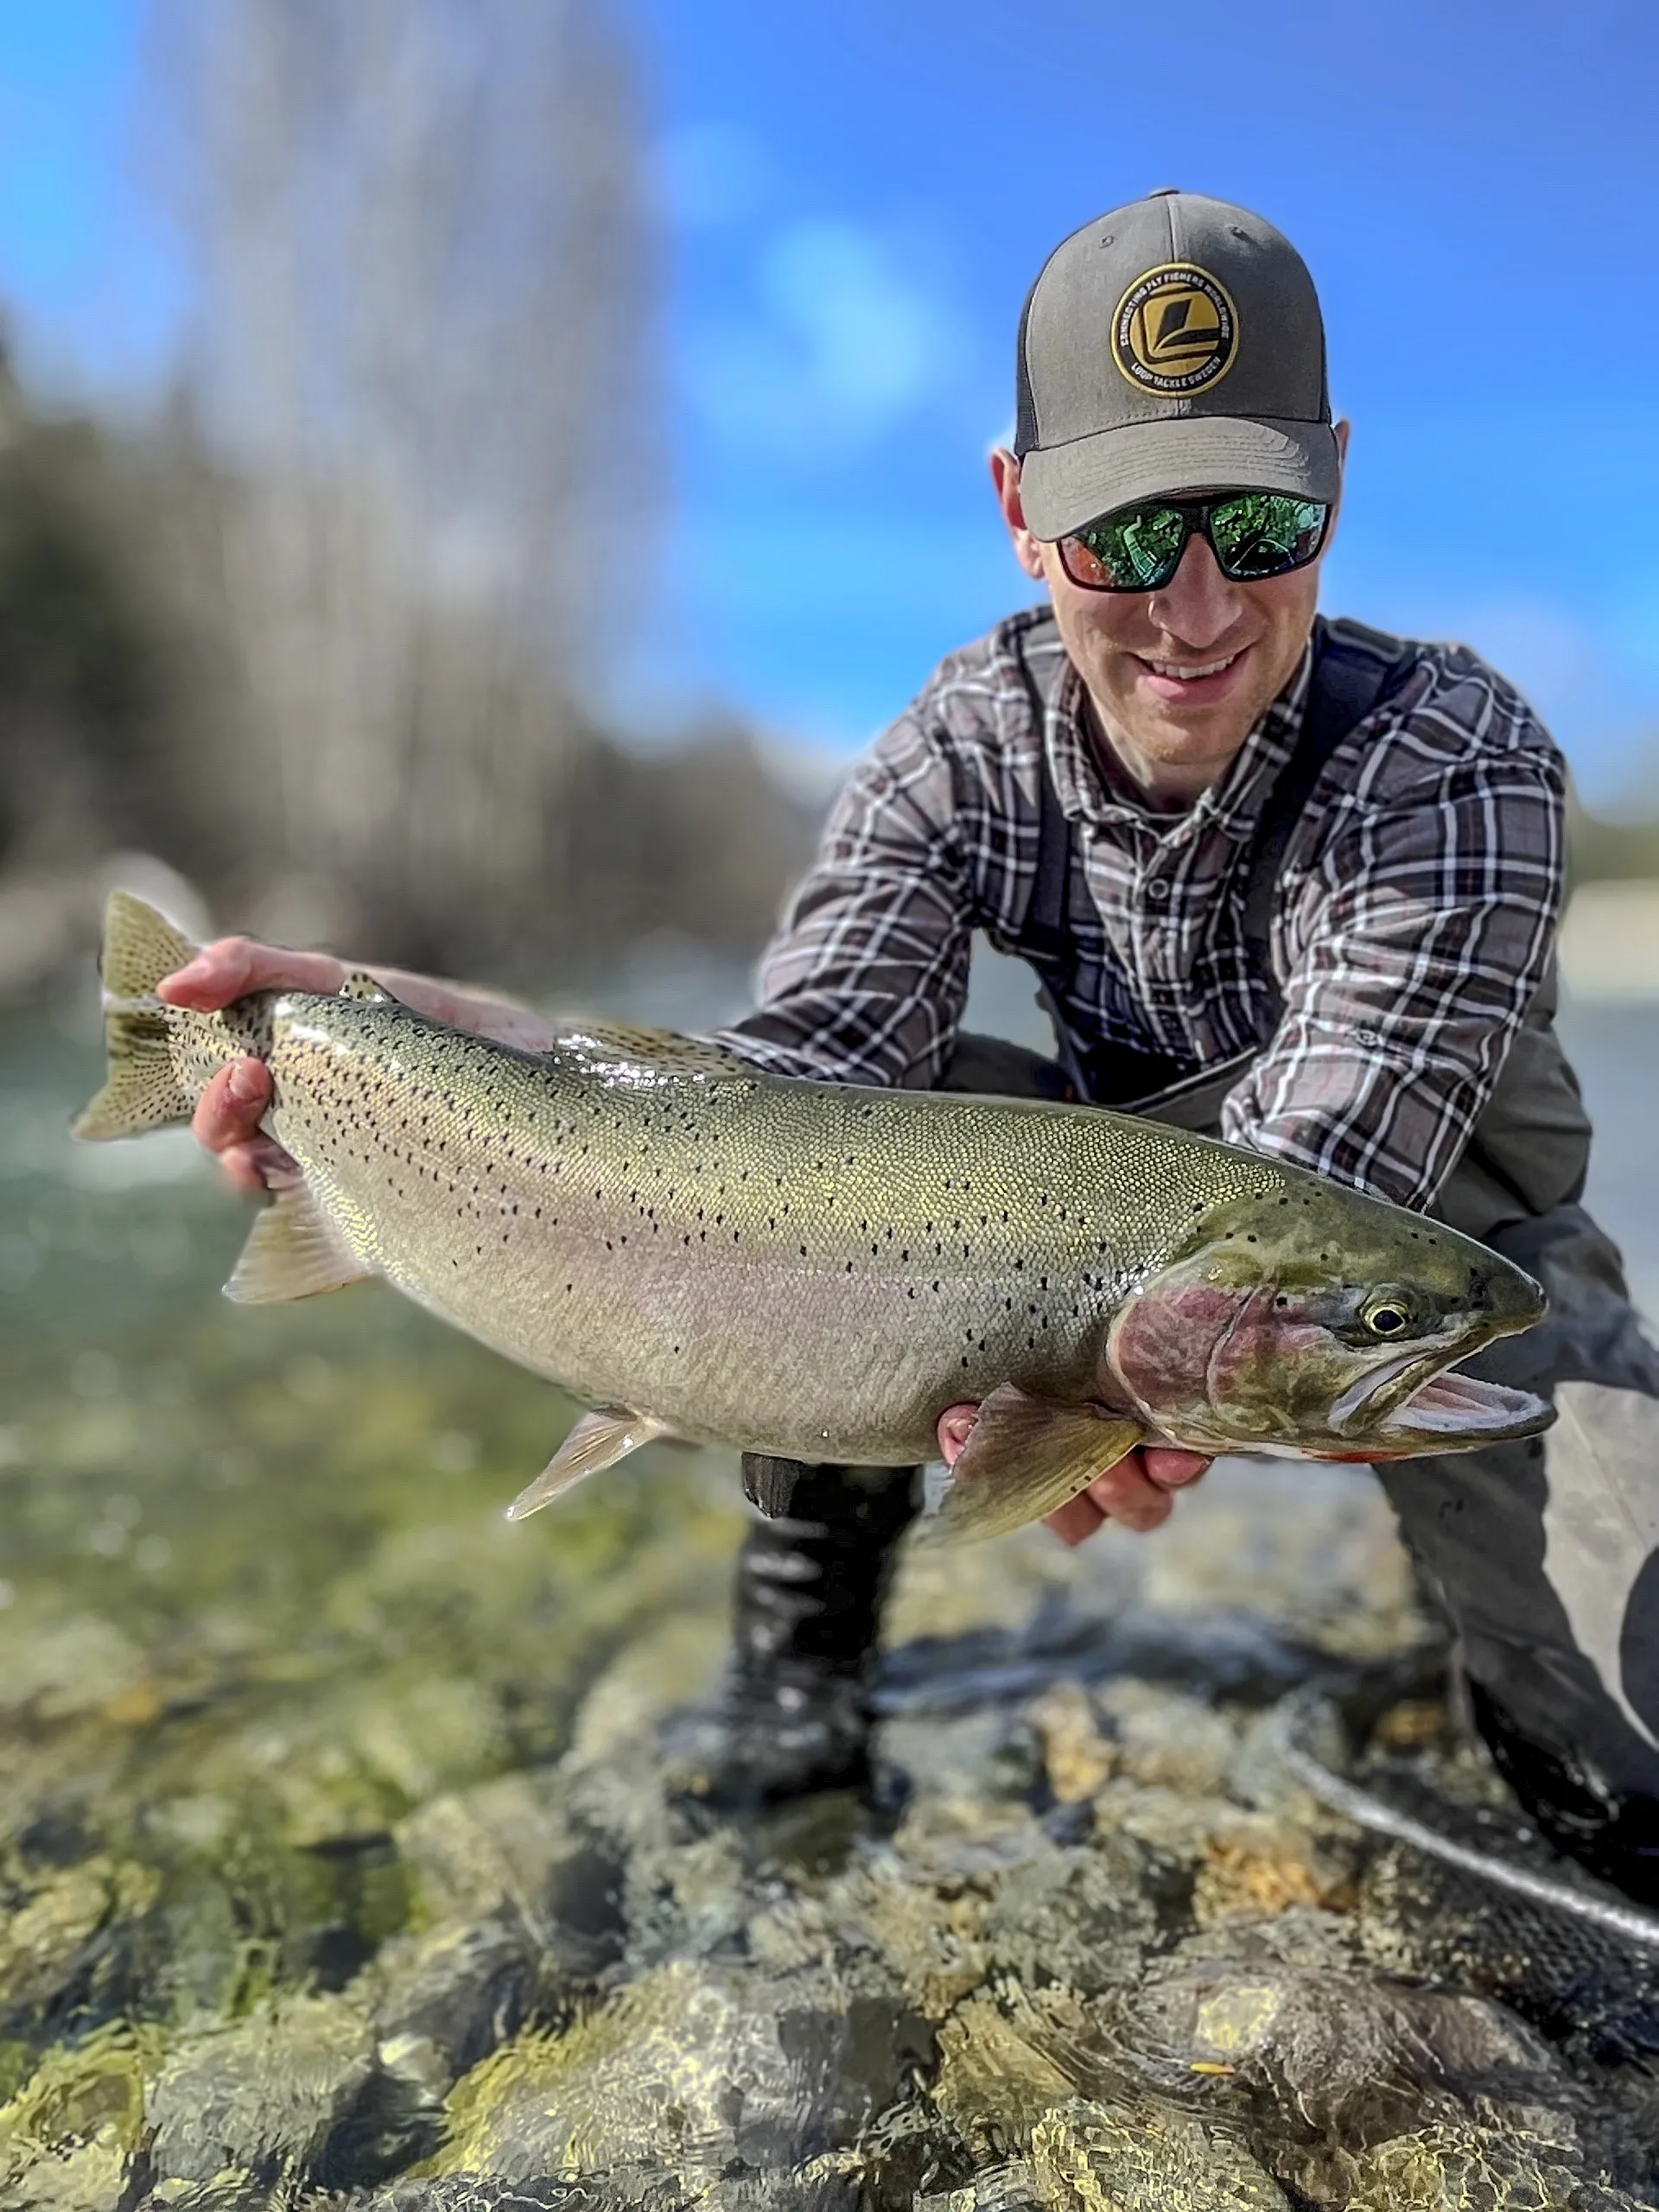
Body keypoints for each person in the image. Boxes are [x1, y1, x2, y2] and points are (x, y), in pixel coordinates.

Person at [166, 190, 1659, 1900]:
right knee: (837, 1178)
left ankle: (1495, 1630)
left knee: (1642, 1744)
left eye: (1254, 522)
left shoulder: (1456, 752)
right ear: (1022, 513)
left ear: (1332, 480)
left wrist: (1125, 1394)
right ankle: (800, 1666)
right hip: (1099, 1257)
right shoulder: (953, 749)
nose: (1191, 609)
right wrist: (467, 1064)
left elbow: (1323, 1175)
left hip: (1409, 1242)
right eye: (1122, 532)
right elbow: (789, 1082)